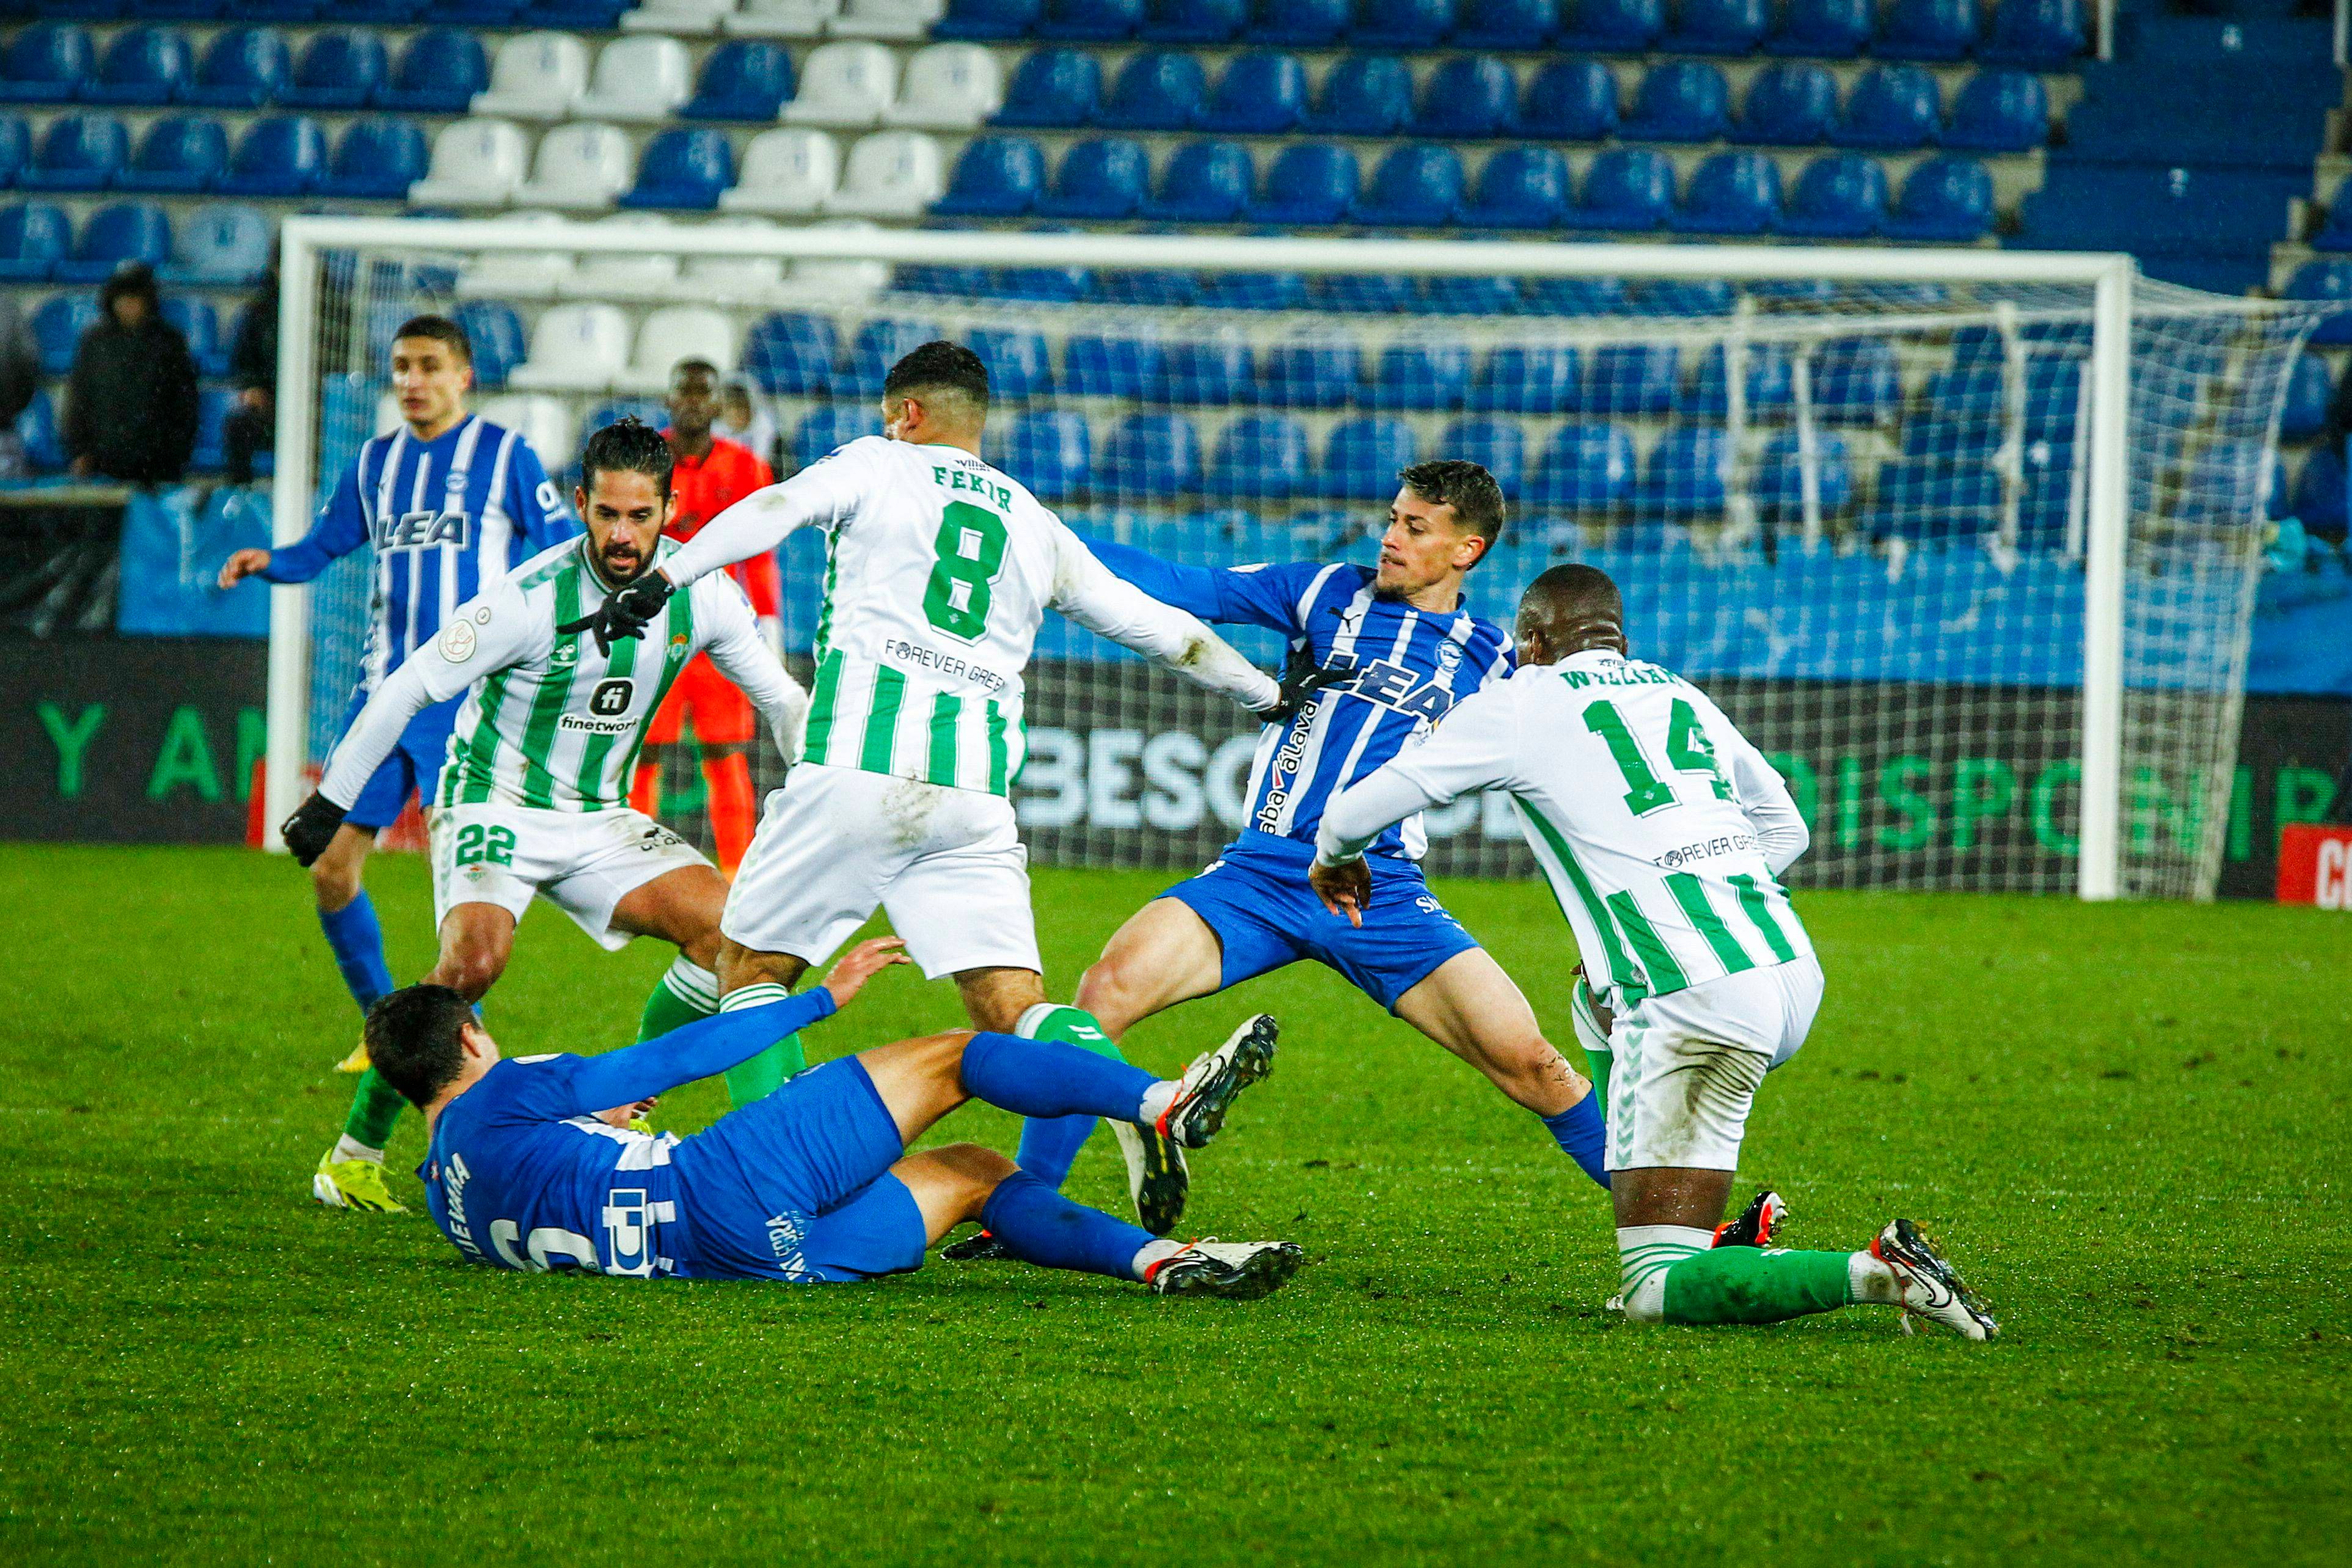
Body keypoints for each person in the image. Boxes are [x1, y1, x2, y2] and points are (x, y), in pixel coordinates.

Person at [559, 342, 1310, 1233]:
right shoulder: (1032, 519)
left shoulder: (877, 463)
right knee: (1012, 1005)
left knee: (753, 968)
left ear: (907, 414)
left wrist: (667, 575)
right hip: (973, 794)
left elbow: (772, 509)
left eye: (889, 414)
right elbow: (1155, 627)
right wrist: (1264, 692)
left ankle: (782, 1185)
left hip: (858, 768)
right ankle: (1150, 1097)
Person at [1308, 564, 1999, 1340]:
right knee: (1595, 997)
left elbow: (1359, 807)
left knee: (1655, 1288)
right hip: (1788, 971)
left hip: (1695, 999)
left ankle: (1878, 1270)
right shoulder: (1675, 690)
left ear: (1530, 641)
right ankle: (1678, 1204)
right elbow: (1786, 827)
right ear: (1619, 640)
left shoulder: (1521, 700)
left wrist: (1336, 855)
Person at [952, 461, 1608, 1260]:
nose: (1390, 538)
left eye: (1414, 527)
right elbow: (1182, 585)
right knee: (1101, 994)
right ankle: (1024, 1214)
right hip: (1259, 876)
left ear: (1466, 549)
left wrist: (1599, 926)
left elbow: (1557, 794)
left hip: (1381, 894)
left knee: (1535, 1065)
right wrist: (1041, 537)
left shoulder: (1496, 660)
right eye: (1391, 519)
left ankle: (1685, 1221)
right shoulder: (1326, 590)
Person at [279, 417, 810, 1213]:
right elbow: (408, 685)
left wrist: (818, 786)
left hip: (597, 815)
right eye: (607, 513)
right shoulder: (527, 598)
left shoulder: (702, 593)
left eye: (640, 515)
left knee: (735, 934)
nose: (621, 534)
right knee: (472, 967)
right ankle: (354, 1155)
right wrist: (330, 801)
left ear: (671, 508)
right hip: (494, 800)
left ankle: (642, 1099)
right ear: (580, 504)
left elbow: (780, 699)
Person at [365, 933, 1301, 1297]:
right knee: (959, 1054)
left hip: (748, 1260)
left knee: (974, 1172)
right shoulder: (504, 1086)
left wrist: (598, 1132)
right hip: (722, 1180)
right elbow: (677, 1056)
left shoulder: (445, 1197)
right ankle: (1163, 1100)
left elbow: (554, 1189)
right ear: (472, 1034)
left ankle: (1164, 1259)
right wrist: (820, 998)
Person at [218, 314, 574, 1206]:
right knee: (330, 869)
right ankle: (387, 1027)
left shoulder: (505, 455)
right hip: (383, 697)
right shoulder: (375, 463)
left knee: (460, 915)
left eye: (429, 366)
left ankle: (442, 1066)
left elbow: (559, 555)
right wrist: (272, 562)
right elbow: (327, 543)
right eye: (401, 367)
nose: (412, 381)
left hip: (471, 701)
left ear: (464, 375)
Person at [629, 358, 780, 879]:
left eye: (704, 393)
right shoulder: (643, 463)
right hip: (653, 627)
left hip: (719, 630)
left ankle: (738, 874)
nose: (694, 402)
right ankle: (636, 869)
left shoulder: (746, 468)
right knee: (644, 752)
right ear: (668, 399)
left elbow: (759, 557)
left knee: (725, 752)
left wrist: (769, 630)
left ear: (719, 403)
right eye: (685, 391)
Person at [64, 264, 199, 486]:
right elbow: (80, 400)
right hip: (102, 467)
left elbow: (185, 406)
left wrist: (174, 457)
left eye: (135, 298)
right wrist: (80, 451)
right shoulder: (94, 343)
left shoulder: (169, 343)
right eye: (122, 298)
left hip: (158, 470)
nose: (128, 305)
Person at [222, 261, 276, 487]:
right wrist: (253, 388)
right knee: (238, 425)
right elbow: (243, 364)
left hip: (313, 410)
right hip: (269, 410)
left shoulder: (325, 309)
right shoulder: (258, 314)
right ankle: (241, 494)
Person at [711, 377, 777, 473]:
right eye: (733, 409)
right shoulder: (715, 429)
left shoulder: (764, 426)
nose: (739, 415)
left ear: (750, 409)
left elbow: (760, 463)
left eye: (742, 408)